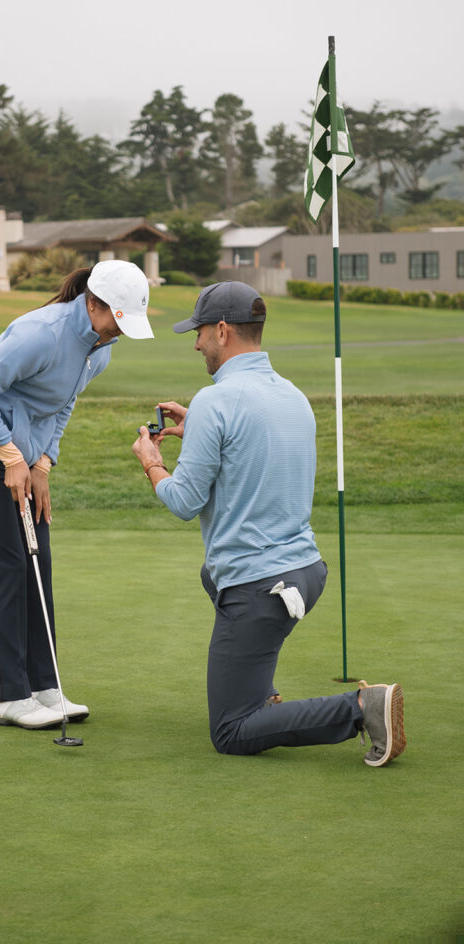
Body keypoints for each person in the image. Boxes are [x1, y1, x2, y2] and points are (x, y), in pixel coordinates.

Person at [132, 281, 405, 767]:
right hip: (307, 572)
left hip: (261, 589)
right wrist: (198, 423)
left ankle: (363, 708)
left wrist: (152, 461)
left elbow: (183, 502)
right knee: (211, 573)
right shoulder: (292, 395)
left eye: (199, 332)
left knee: (232, 731)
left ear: (222, 331)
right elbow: (251, 439)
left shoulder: (217, 402)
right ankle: (261, 689)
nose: (195, 344)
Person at [0, 259, 153, 729]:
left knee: (38, 563)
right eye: (115, 323)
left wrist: (42, 462)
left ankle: (45, 685)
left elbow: (64, 404)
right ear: (94, 304)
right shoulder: (41, 332)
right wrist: (11, 456)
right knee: (8, 567)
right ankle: (9, 697)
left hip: (23, 458)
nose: (116, 335)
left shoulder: (100, 347)